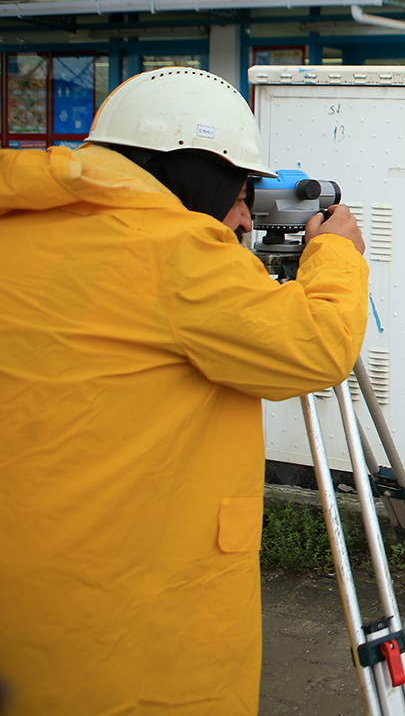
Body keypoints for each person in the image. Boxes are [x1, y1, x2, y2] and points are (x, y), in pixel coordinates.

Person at [0, 67, 368, 716]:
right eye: (239, 190)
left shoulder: (24, 219)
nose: (243, 214)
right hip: (119, 616)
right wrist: (337, 254)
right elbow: (316, 346)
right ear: (198, 172)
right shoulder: (176, 251)